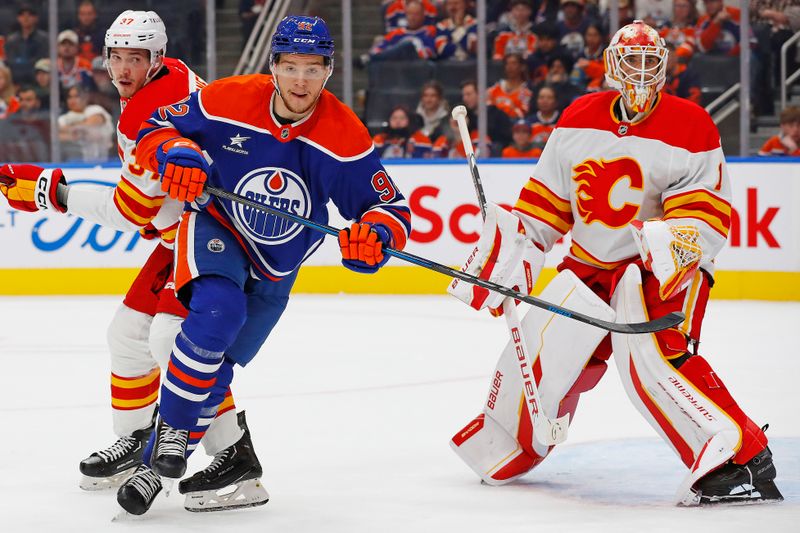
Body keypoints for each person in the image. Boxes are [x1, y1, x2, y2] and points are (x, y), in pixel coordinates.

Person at [446, 20, 782, 506]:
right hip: (587, 265)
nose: (640, 72)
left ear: (665, 65)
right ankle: (511, 441)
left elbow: (704, 212)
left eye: (650, 61)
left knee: (653, 362)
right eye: (631, 60)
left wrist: (666, 243)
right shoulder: (579, 116)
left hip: (654, 270)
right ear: (609, 63)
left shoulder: (691, 123)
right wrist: (511, 246)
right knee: (539, 354)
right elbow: (546, 207)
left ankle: (740, 460)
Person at [113, 15, 410, 515]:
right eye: (290, 66)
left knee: (216, 370)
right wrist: (177, 153)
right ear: (273, 65)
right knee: (215, 316)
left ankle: (160, 457)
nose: (300, 80)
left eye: (312, 69)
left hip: (276, 267)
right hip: (218, 228)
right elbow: (156, 127)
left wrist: (373, 236)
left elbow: (390, 209)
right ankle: (164, 453)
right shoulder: (228, 99)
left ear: (329, 72)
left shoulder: (343, 135)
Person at [0, 10, 266, 513]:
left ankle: (235, 455)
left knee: (172, 342)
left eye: (135, 58)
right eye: (116, 57)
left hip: (216, 236)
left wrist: (49, 191)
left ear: (156, 58)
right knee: (126, 335)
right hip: (183, 229)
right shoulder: (176, 74)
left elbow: (128, 210)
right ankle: (137, 436)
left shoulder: (148, 111)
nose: (122, 69)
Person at [57, 84, 114, 161]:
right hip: (75, 161)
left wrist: (71, 129)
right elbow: (58, 136)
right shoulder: (63, 118)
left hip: (105, 160)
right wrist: (79, 133)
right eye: (70, 97)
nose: (72, 100)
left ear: (85, 98)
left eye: (76, 96)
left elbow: (92, 123)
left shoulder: (95, 109)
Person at [3, 3, 48, 86]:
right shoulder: (12, 40)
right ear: (18, 18)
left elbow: (42, 61)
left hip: (36, 81)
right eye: (22, 15)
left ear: (36, 18)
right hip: (15, 81)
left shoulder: (44, 39)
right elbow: (10, 61)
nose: (26, 18)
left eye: (30, 15)